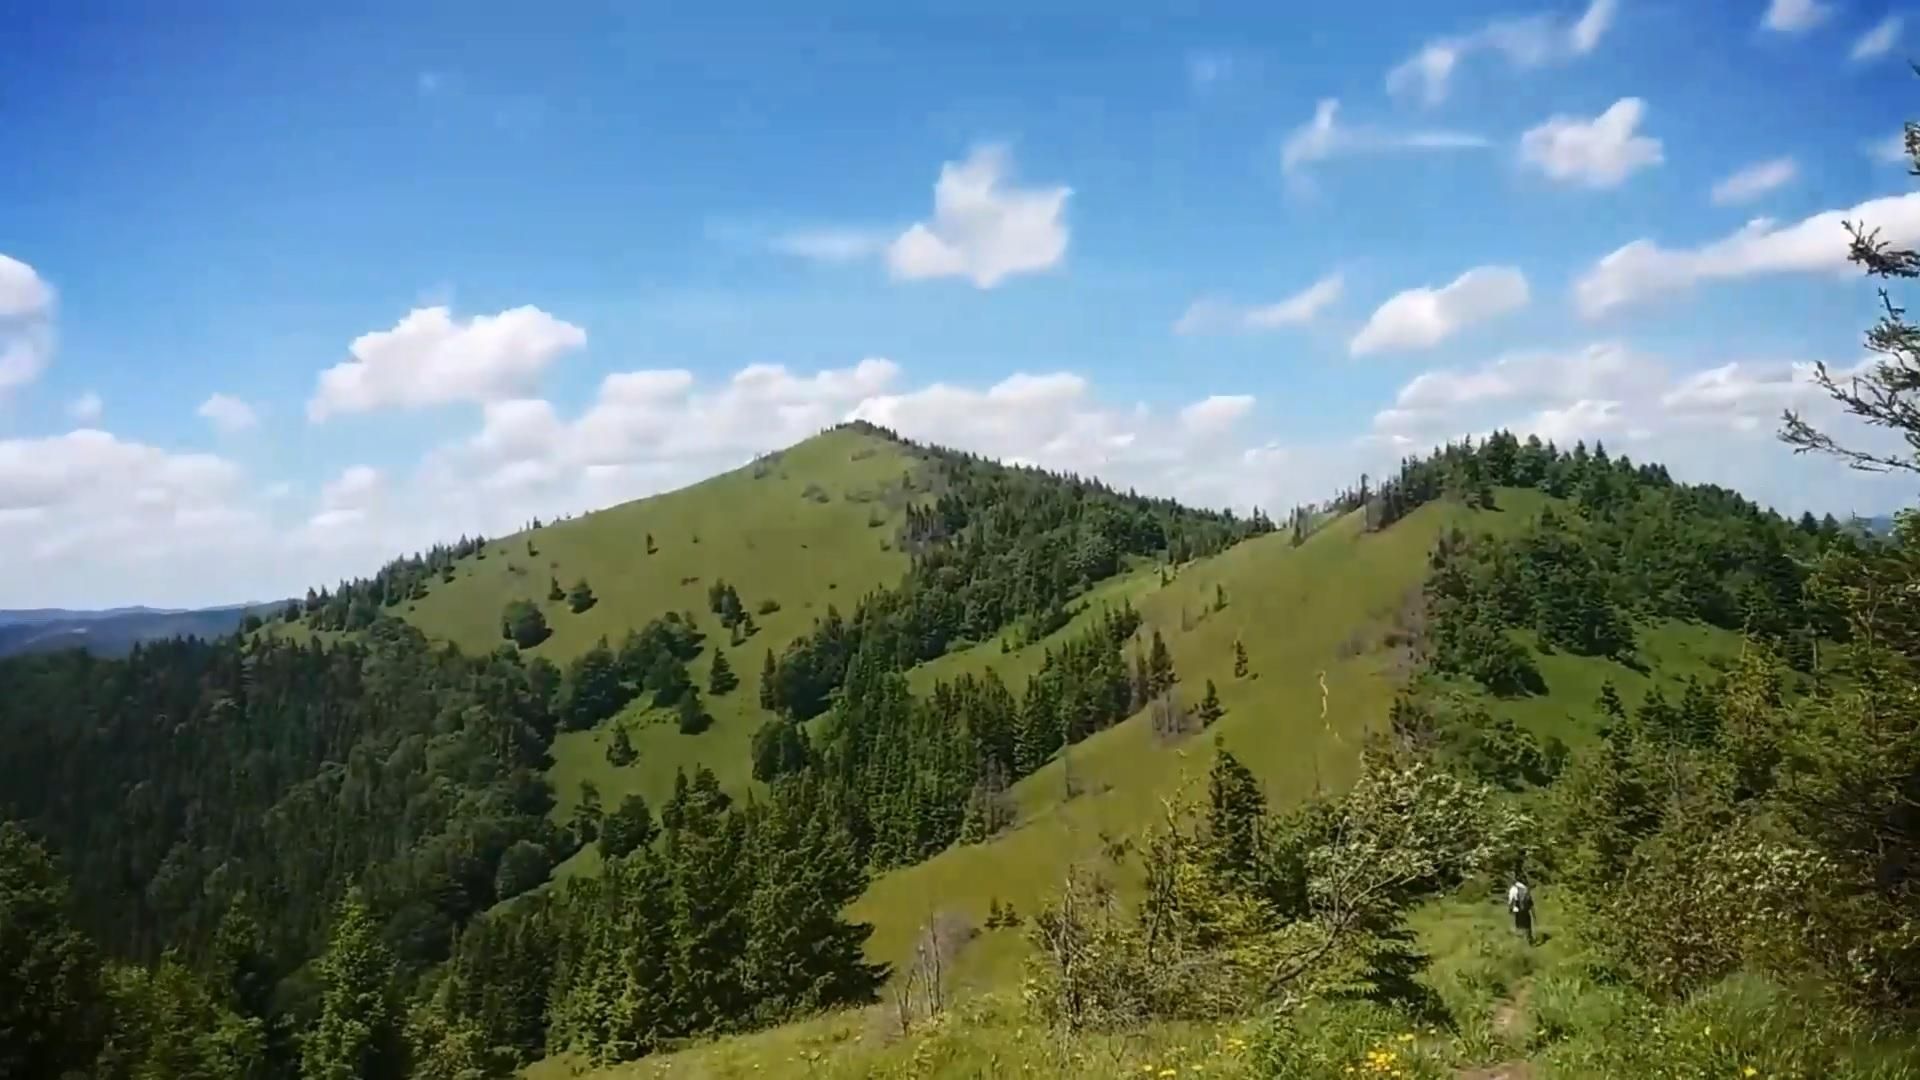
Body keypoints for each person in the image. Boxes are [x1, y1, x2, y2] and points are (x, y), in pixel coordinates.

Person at [1507, 878, 1535, 946]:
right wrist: (1533, 912)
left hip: (1518, 909)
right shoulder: (1524, 888)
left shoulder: (1513, 889)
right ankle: (1529, 940)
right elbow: (1529, 900)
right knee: (1527, 924)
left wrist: (1510, 909)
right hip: (1526, 910)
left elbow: (1511, 900)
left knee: (1519, 925)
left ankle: (1521, 941)